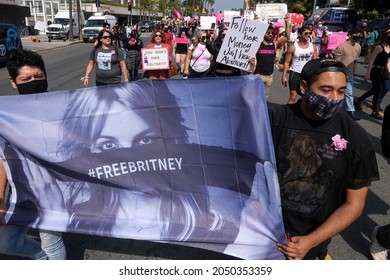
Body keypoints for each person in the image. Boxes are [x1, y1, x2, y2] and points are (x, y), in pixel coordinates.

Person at [272, 57, 379, 259]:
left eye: (340, 91)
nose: (334, 98)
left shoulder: (356, 139)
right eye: (326, 89)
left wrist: (311, 240)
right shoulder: (273, 118)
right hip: (259, 235)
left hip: (307, 248)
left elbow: (354, 204)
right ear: (304, 87)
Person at [0, 49, 66, 260]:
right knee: (7, 243)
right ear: (13, 82)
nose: (34, 81)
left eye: (39, 76)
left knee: (52, 242)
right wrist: (0, 196)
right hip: (20, 190)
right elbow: (2, 157)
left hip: (53, 189)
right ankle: (41, 258)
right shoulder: (7, 116)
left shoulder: (62, 106)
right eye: (26, 78)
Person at [355, 32, 390, 120]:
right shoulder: (379, 47)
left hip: (384, 72)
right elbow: (371, 61)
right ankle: (375, 112)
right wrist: (368, 73)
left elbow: (388, 62)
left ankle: (358, 100)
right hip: (376, 71)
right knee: (378, 90)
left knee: (374, 90)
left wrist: (389, 72)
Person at [249, 23, 290, 98]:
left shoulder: (275, 45)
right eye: (268, 33)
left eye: (272, 33)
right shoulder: (257, 45)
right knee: (255, 97)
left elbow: (287, 37)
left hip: (269, 77)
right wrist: (251, 62)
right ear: (263, 33)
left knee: (264, 98)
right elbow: (249, 57)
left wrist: (287, 22)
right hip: (258, 75)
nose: (270, 34)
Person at [282, 25, 318, 104]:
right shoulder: (293, 47)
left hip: (307, 74)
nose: (308, 35)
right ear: (300, 34)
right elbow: (287, 62)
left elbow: (315, 62)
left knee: (305, 96)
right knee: (293, 96)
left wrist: (316, 75)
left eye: (310, 33)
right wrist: (284, 76)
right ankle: (288, 113)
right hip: (295, 73)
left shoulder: (313, 47)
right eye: (306, 33)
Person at [334, 28, 363, 121]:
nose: (358, 36)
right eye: (356, 34)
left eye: (359, 34)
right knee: (338, 92)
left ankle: (351, 112)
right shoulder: (342, 46)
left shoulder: (358, 46)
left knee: (349, 93)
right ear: (350, 35)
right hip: (340, 74)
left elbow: (355, 61)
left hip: (350, 75)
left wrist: (354, 72)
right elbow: (336, 62)